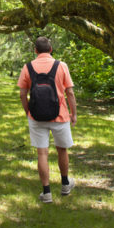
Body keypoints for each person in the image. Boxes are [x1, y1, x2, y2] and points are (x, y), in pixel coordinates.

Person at [17, 36, 77, 203]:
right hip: (60, 115)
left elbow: (22, 94)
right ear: (51, 49)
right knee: (62, 150)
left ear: (35, 50)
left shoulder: (27, 67)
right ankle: (65, 184)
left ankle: (47, 192)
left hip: (36, 116)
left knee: (42, 153)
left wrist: (28, 111)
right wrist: (74, 114)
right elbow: (70, 92)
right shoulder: (61, 66)